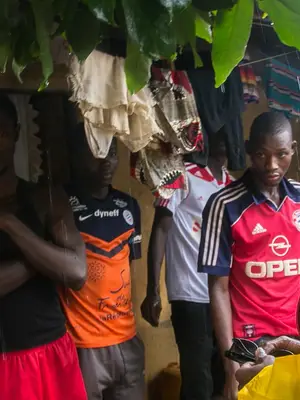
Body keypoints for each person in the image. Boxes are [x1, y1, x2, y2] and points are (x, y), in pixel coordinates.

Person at [198, 112, 300, 400]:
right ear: (247, 150)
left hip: (293, 341)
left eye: (281, 154)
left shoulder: (299, 201)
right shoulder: (224, 205)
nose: (271, 165)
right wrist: (231, 368)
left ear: (293, 148)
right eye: (261, 154)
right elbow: (217, 288)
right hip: (248, 345)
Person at [0, 95, 88, 400]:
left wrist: (11, 225)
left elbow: (76, 272)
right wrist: (43, 256)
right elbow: (65, 265)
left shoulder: (44, 199)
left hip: (47, 353)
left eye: (2, 133)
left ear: (16, 132)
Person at [141, 131, 233, 400]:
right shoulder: (180, 175)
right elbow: (160, 229)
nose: (224, 139)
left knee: (224, 374)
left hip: (223, 295)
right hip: (189, 293)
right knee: (197, 379)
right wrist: (153, 290)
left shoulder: (231, 183)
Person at [60, 124, 144, 400]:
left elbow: (127, 271)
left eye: (112, 153)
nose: (106, 162)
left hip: (127, 339)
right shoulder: (61, 205)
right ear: (78, 156)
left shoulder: (129, 206)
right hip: (84, 345)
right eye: (97, 153)